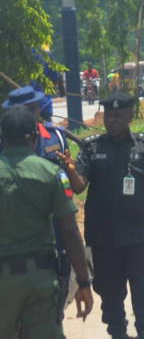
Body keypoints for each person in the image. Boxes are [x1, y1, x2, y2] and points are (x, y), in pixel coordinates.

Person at [66, 92, 144, 339]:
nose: (111, 121)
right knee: (111, 298)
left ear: (130, 116)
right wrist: (71, 169)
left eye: (117, 116)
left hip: (137, 237)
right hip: (104, 239)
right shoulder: (92, 148)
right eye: (108, 116)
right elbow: (79, 186)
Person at [0, 106, 93, 338]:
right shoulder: (53, 173)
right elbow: (70, 232)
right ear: (34, 137)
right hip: (39, 279)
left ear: (3, 137)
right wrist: (83, 282)